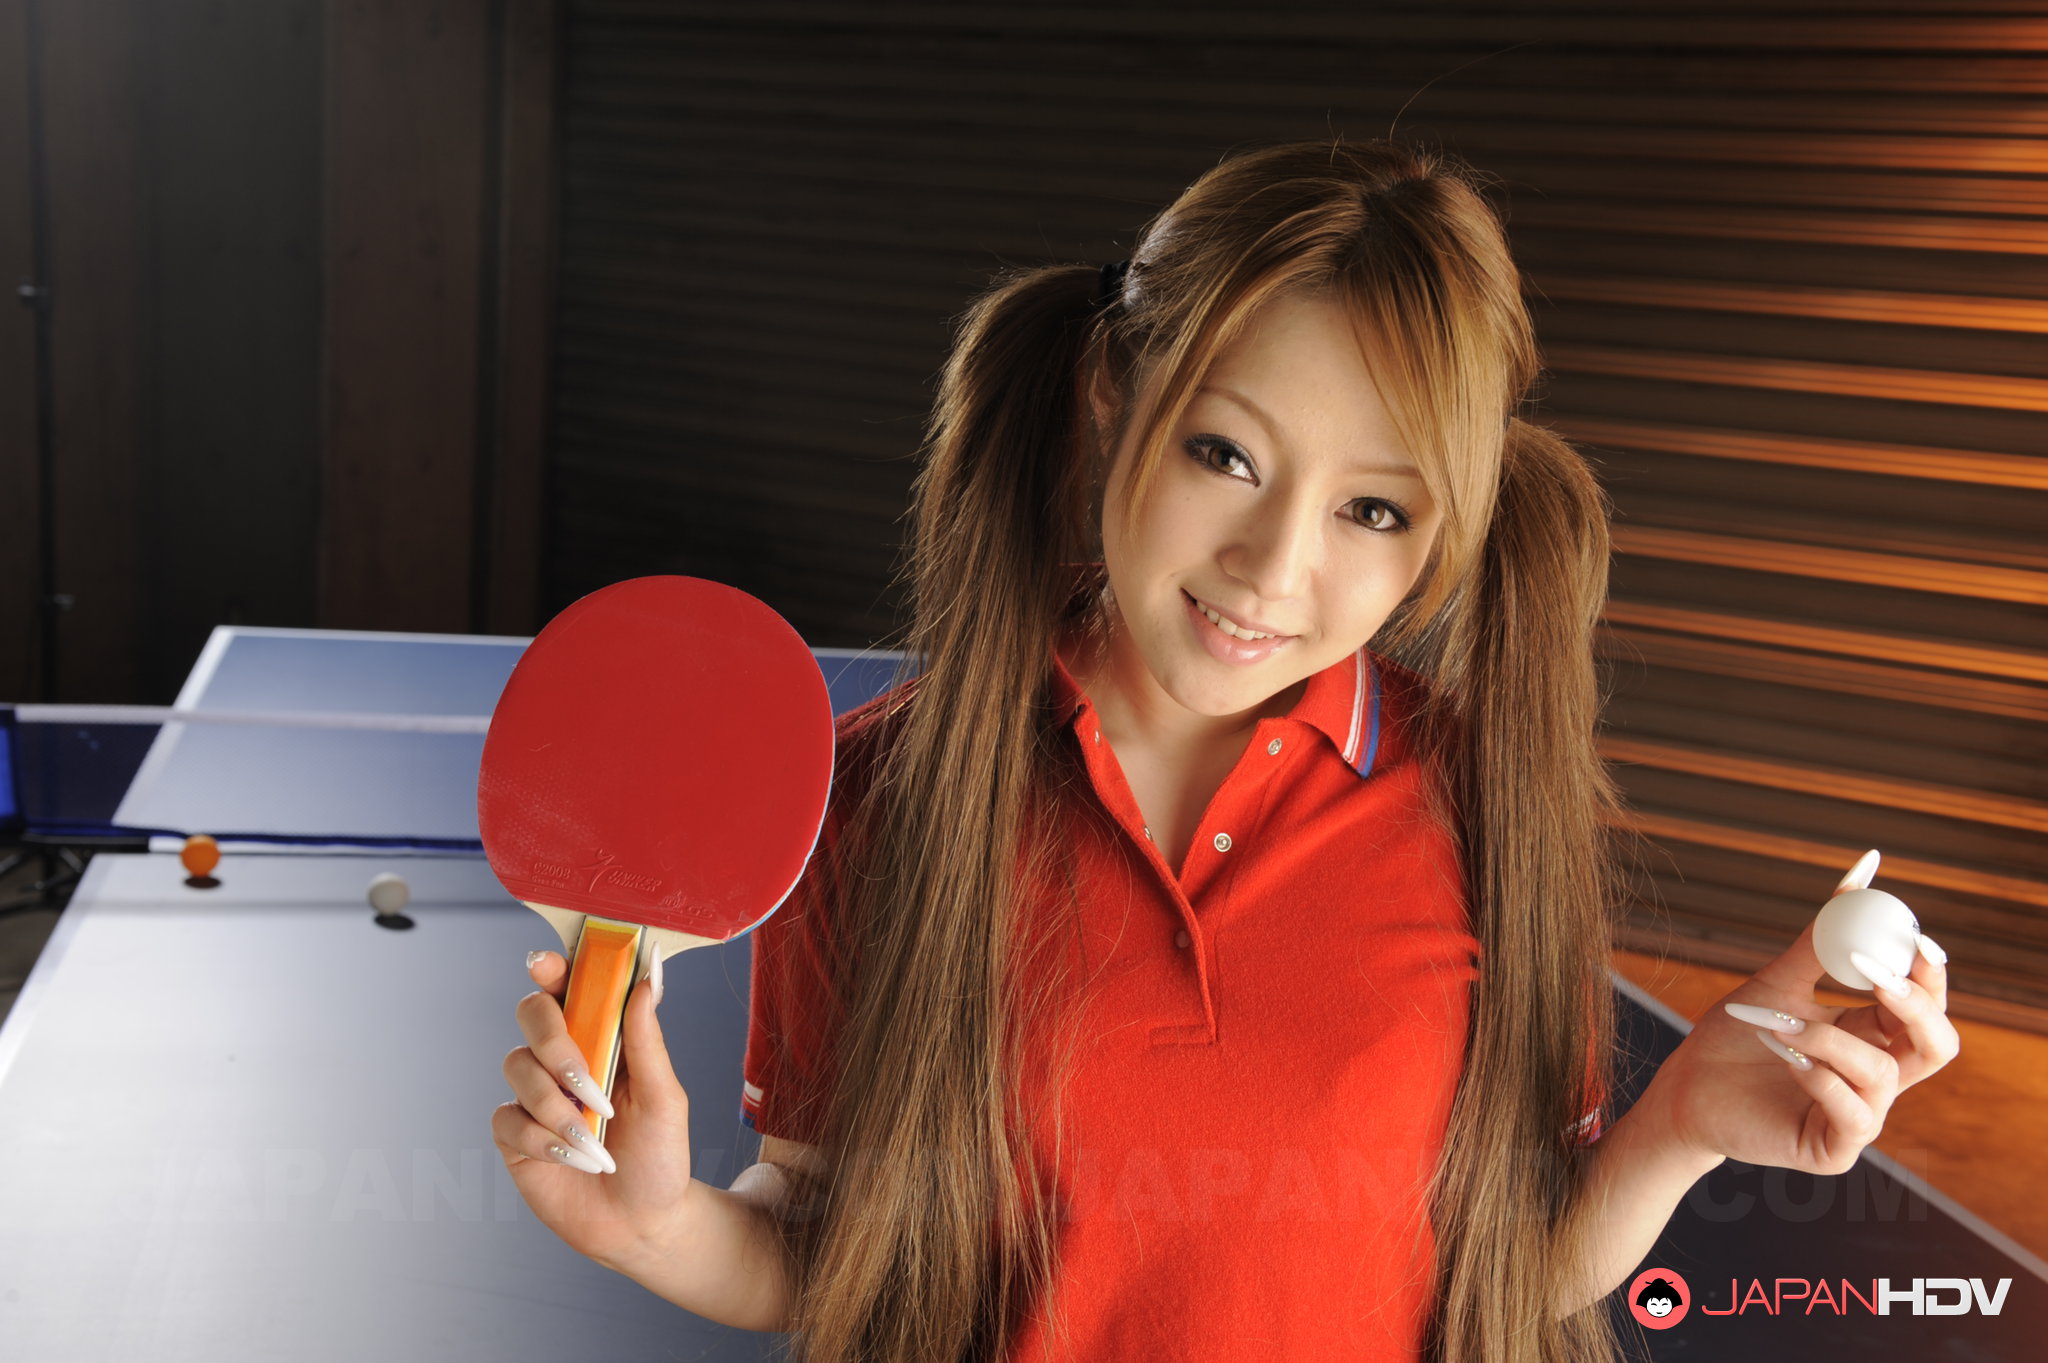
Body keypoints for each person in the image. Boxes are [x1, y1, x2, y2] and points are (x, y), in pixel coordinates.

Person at [491, 137, 1960, 1362]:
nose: (1273, 567)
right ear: (1110, 394)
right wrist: (660, 1228)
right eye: (1226, 455)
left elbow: (1501, 1276)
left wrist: (1685, 1121)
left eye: (1372, 510)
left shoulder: (1490, 807)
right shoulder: (881, 800)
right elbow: (835, 1256)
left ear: (1442, 529)